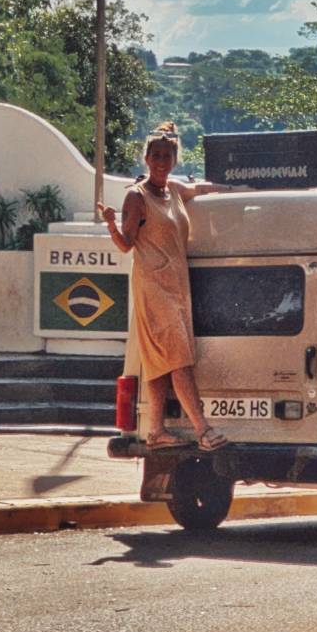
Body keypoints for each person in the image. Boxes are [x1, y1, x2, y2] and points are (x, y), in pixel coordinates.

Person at [98, 122, 232, 451]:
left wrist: (235, 189)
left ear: (174, 160)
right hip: (153, 287)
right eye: (155, 155)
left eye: (166, 156)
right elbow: (126, 244)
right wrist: (112, 225)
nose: (160, 161)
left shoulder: (173, 190)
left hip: (176, 286)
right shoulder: (137, 196)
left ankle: (156, 431)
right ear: (146, 158)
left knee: (159, 360)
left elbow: (200, 190)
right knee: (179, 358)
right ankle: (203, 429)